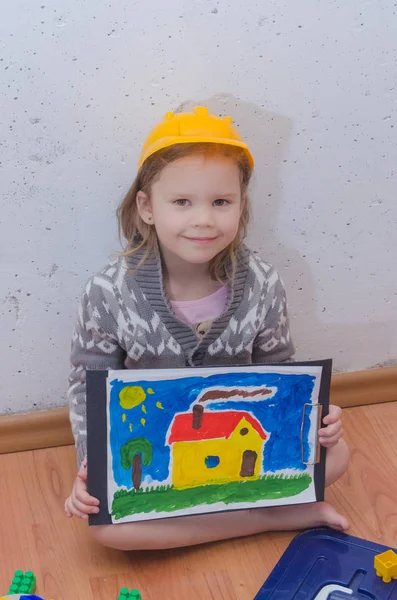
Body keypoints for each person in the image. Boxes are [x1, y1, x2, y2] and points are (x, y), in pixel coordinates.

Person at [65, 106, 350, 550]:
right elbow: (87, 387)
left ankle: (243, 510)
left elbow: (281, 370)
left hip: (241, 441)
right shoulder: (107, 292)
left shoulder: (262, 282)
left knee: (339, 456)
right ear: (147, 207)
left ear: (241, 204)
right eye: (182, 202)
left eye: (221, 201)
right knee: (106, 529)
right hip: (159, 451)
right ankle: (265, 519)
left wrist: (316, 418)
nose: (203, 219)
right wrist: (90, 467)